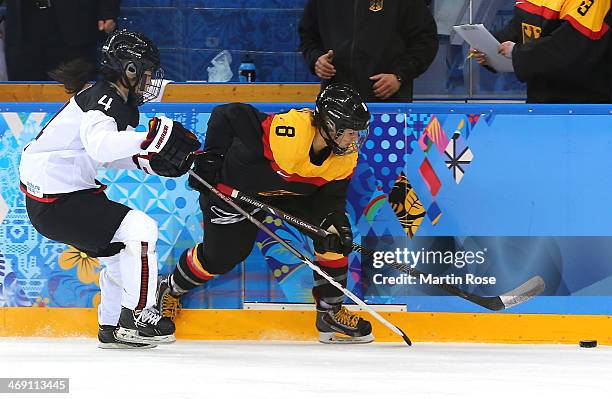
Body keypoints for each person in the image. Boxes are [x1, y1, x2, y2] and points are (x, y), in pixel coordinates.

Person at [19, 30, 201, 349]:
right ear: (128, 70)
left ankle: (113, 326)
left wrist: (148, 162)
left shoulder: (113, 100)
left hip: (58, 200)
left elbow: (105, 154)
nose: (149, 81)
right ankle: (139, 314)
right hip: (59, 199)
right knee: (140, 229)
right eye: (145, 73)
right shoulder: (105, 97)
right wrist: (148, 142)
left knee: (119, 253)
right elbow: (102, 147)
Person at [156, 84, 375, 344]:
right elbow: (228, 113)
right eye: (350, 132)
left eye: (357, 133)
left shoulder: (345, 157)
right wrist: (212, 159)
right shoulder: (291, 131)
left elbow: (331, 199)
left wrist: (333, 220)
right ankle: (171, 287)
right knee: (221, 257)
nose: (354, 140)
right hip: (235, 189)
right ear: (329, 125)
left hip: (290, 195)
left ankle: (329, 313)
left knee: (334, 234)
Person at [471, 0, 612, 103]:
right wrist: (489, 48)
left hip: (587, 104)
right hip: (540, 100)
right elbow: (517, 29)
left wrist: (517, 52)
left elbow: (569, 45)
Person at [298, 0, 438, 102]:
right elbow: (308, 36)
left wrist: (399, 76)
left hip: (387, 103)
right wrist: (317, 60)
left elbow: (425, 41)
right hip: (335, 103)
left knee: (385, 141)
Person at [4, 0, 120, 81]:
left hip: (74, 25)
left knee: (75, 90)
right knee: (24, 93)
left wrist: (107, 10)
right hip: (22, 24)